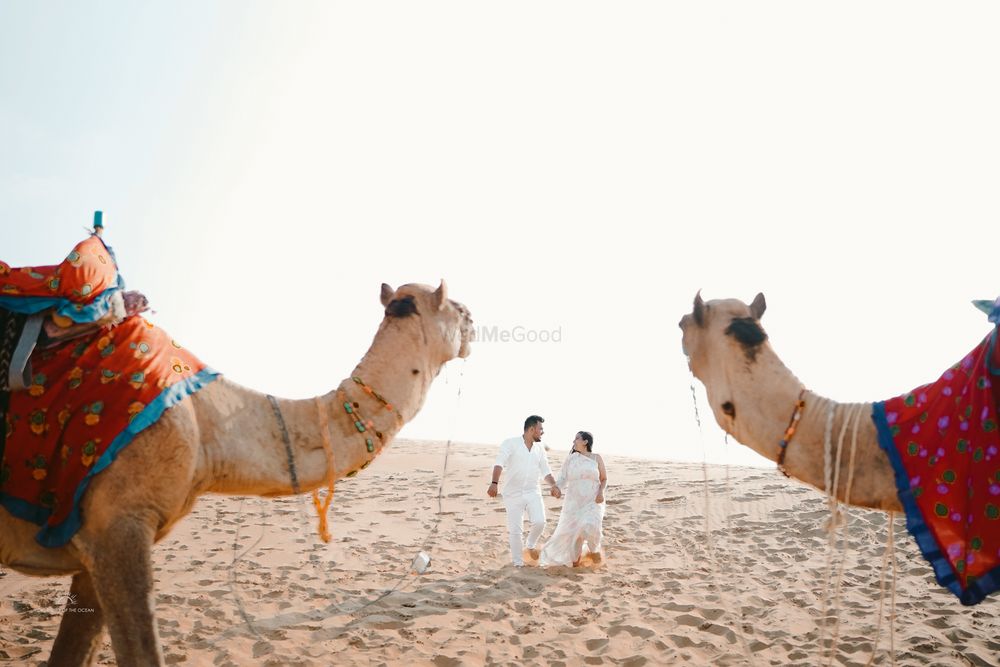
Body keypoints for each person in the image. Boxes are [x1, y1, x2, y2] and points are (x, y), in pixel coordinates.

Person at [487, 415, 561, 567]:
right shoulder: (510, 443)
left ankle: (530, 544)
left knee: (540, 522)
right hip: (512, 494)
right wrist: (494, 483)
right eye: (540, 429)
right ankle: (517, 563)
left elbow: (545, 470)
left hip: (533, 491)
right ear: (532, 429)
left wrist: (553, 485)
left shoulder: (540, 448)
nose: (542, 432)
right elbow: (499, 463)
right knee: (516, 530)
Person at [540, 431, 607, 567]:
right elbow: (563, 478)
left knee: (591, 525)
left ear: (585, 441)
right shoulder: (571, 459)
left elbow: (604, 478)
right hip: (574, 502)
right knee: (574, 536)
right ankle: (576, 560)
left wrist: (601, 493)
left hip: (592, 500)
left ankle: (594, 551)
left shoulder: (596, 458)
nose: (573, 441)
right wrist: (557, 488)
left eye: (577, 438)